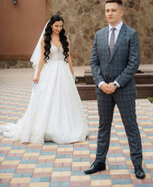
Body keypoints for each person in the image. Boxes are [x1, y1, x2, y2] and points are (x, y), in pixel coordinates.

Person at [0, 15, 88, 144]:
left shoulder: (65, 39)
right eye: (56, 26)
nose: (59, 28)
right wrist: (37, 75)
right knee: (47, 97)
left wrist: (72, 73)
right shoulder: (45, 39)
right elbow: (42, 59)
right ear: (51, 25)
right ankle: (46, 128)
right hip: (50, 71)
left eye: (61, 26)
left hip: (63, 71)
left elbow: (68, 57)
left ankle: (67, 126)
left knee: (65, 97)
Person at [84, 0, 145, 179]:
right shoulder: (99, 34)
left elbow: (133, 63)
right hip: (103, 91)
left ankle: (137, 165)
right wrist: (101, 83)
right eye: (107, 10)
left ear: (121, 12)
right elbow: (94, 62)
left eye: (113, 10)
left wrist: (116, 83)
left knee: (131, 127)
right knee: (103, 126)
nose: (109, 13)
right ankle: (99, 161)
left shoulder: (131, 34)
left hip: (124, 89)